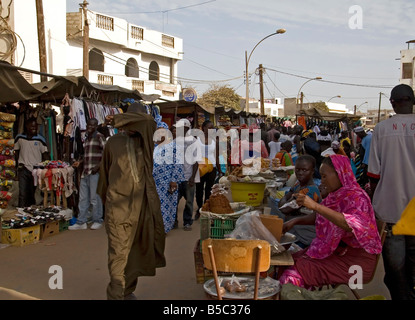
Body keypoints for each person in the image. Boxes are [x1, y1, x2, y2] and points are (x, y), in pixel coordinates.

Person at [279, 155, 382, 289]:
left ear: (340, 174)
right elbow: (320, 216)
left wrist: (315, 206)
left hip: (356, 263)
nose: (322, 181)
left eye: (324, 176)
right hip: (338, 253)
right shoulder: (336, 195)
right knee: (288, 261)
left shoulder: (357, 197)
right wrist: (295, 221)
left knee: (295, 272)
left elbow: (349, 224)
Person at [97, 102, 166, 300]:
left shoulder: (145, 141)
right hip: (118, 207)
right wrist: (108, 203)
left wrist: (118, 119)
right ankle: (116, 295)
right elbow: (105, 175)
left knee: (135, 252)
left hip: (142, 207)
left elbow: (148, 121)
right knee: (118, 254)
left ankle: (127, 291)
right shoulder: (113, 142)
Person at [368, 83, 415, 300]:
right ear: (412, 101)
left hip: (390, 209)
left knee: (396, 270)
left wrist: (374, 201)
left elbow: (374, 175)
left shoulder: (381, 129)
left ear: (392, 103)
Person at [69, 118, 105, 230]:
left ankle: (97, 220)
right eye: (89, 125)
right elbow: (86, 155)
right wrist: (79, 162)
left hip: (95, 172)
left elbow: (107, 153)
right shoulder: (86, 138)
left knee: (95, 198)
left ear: (96, 126)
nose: (90, 127)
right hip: (85, 171)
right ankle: (81, 222)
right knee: (83, 198)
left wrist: (98, 166)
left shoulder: (99, 136)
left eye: (93, 125)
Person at [278, 155, 321, 247]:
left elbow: (284, 209)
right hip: (295, 231)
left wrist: (286, 199)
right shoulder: (298, 185)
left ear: (312, 171)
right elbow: (283, 203)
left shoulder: (309, 191)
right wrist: (286, 199)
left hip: (303, 236)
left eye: (305, 170)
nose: (300, 173)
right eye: (297, 169)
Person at [153, 122, 185, 234]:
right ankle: (155, 229)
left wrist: (174, 180)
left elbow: (178, 164)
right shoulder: (154, 146)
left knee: (165, 206)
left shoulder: (174, 146)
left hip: (167, 182)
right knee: (154, 206)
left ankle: (164, 229)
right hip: (154, 181)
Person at [14, 117, 49, 208]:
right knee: (22, 193)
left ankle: (30, 211)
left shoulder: (40, 139)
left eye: (35, 127)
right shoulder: (19, 137)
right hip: (23, 168)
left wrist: (46, 167)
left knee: (31, 192)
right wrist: (18, 163)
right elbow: (16, 151)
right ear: (26, 126)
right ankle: (21, 212)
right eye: (32, 126)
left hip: (35, 170)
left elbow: (45, 154)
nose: (34, 128)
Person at [173, 119, 200, 231]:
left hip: (189, 176)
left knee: (189, 202)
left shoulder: (193, 141)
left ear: (187, 128)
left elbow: (196, 161)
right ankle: (174, 221)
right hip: (177, 177)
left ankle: (187, 222)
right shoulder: (174, 141)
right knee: (174, 201)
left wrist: (192, 177)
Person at [195, 120, 223, 220]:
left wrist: (220, 170)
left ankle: (206, 208)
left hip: (212, 168)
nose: (211, 129)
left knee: (209, 189)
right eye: (208, 127)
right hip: (200, 168)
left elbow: (217, 156)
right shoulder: (197, 140)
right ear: (203, 128)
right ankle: (199, 207)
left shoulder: (215, 141)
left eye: (212, 128)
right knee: (199, 189)